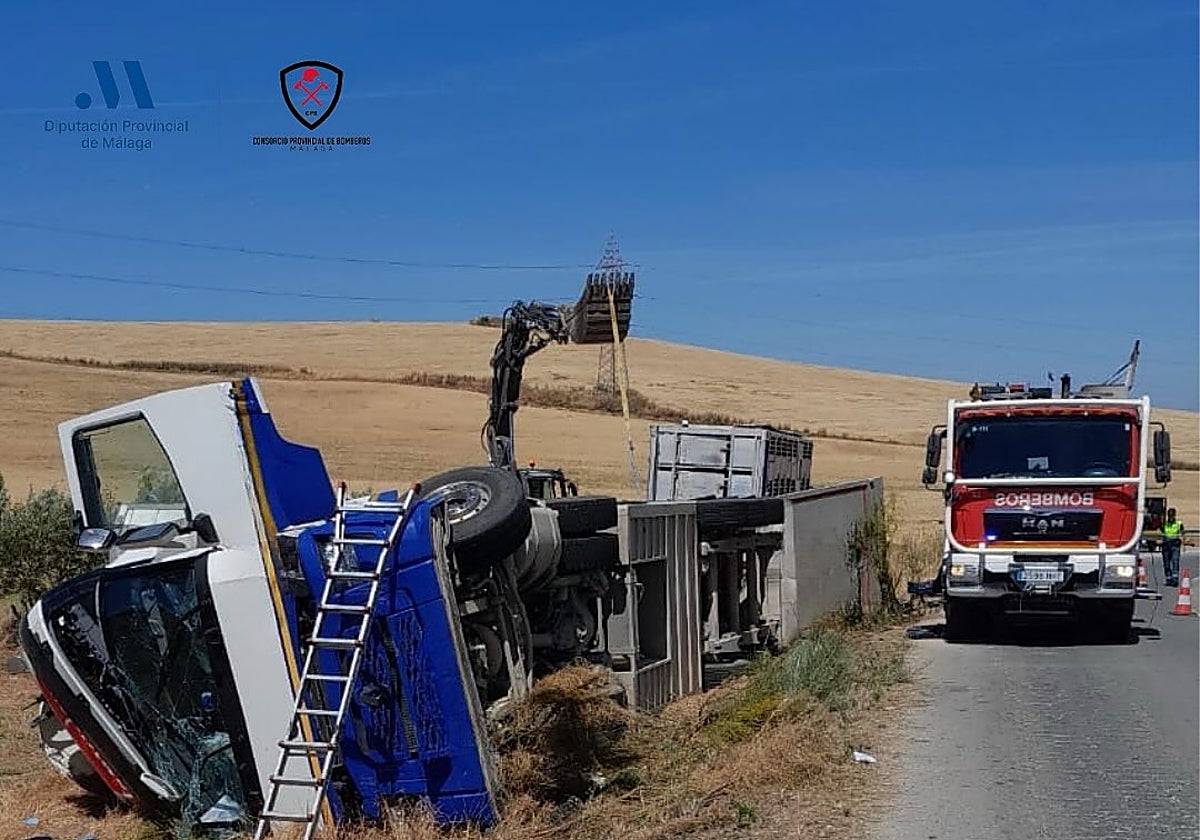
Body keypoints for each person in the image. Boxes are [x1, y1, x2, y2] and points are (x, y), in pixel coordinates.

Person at [1161, 508, 1184, 587]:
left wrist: (1183, 541)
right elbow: (1160, 533)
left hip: (1175, 545)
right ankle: (1168, 579)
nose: (1170, 517)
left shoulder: (1178, 524)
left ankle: (1175, 579)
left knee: (1175, 561)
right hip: (1166, 545)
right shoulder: (1164, 524)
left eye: (1172, 516)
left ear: (1174, 515)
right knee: (1166, 563)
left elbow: (1182, 533)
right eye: (1169, 516)